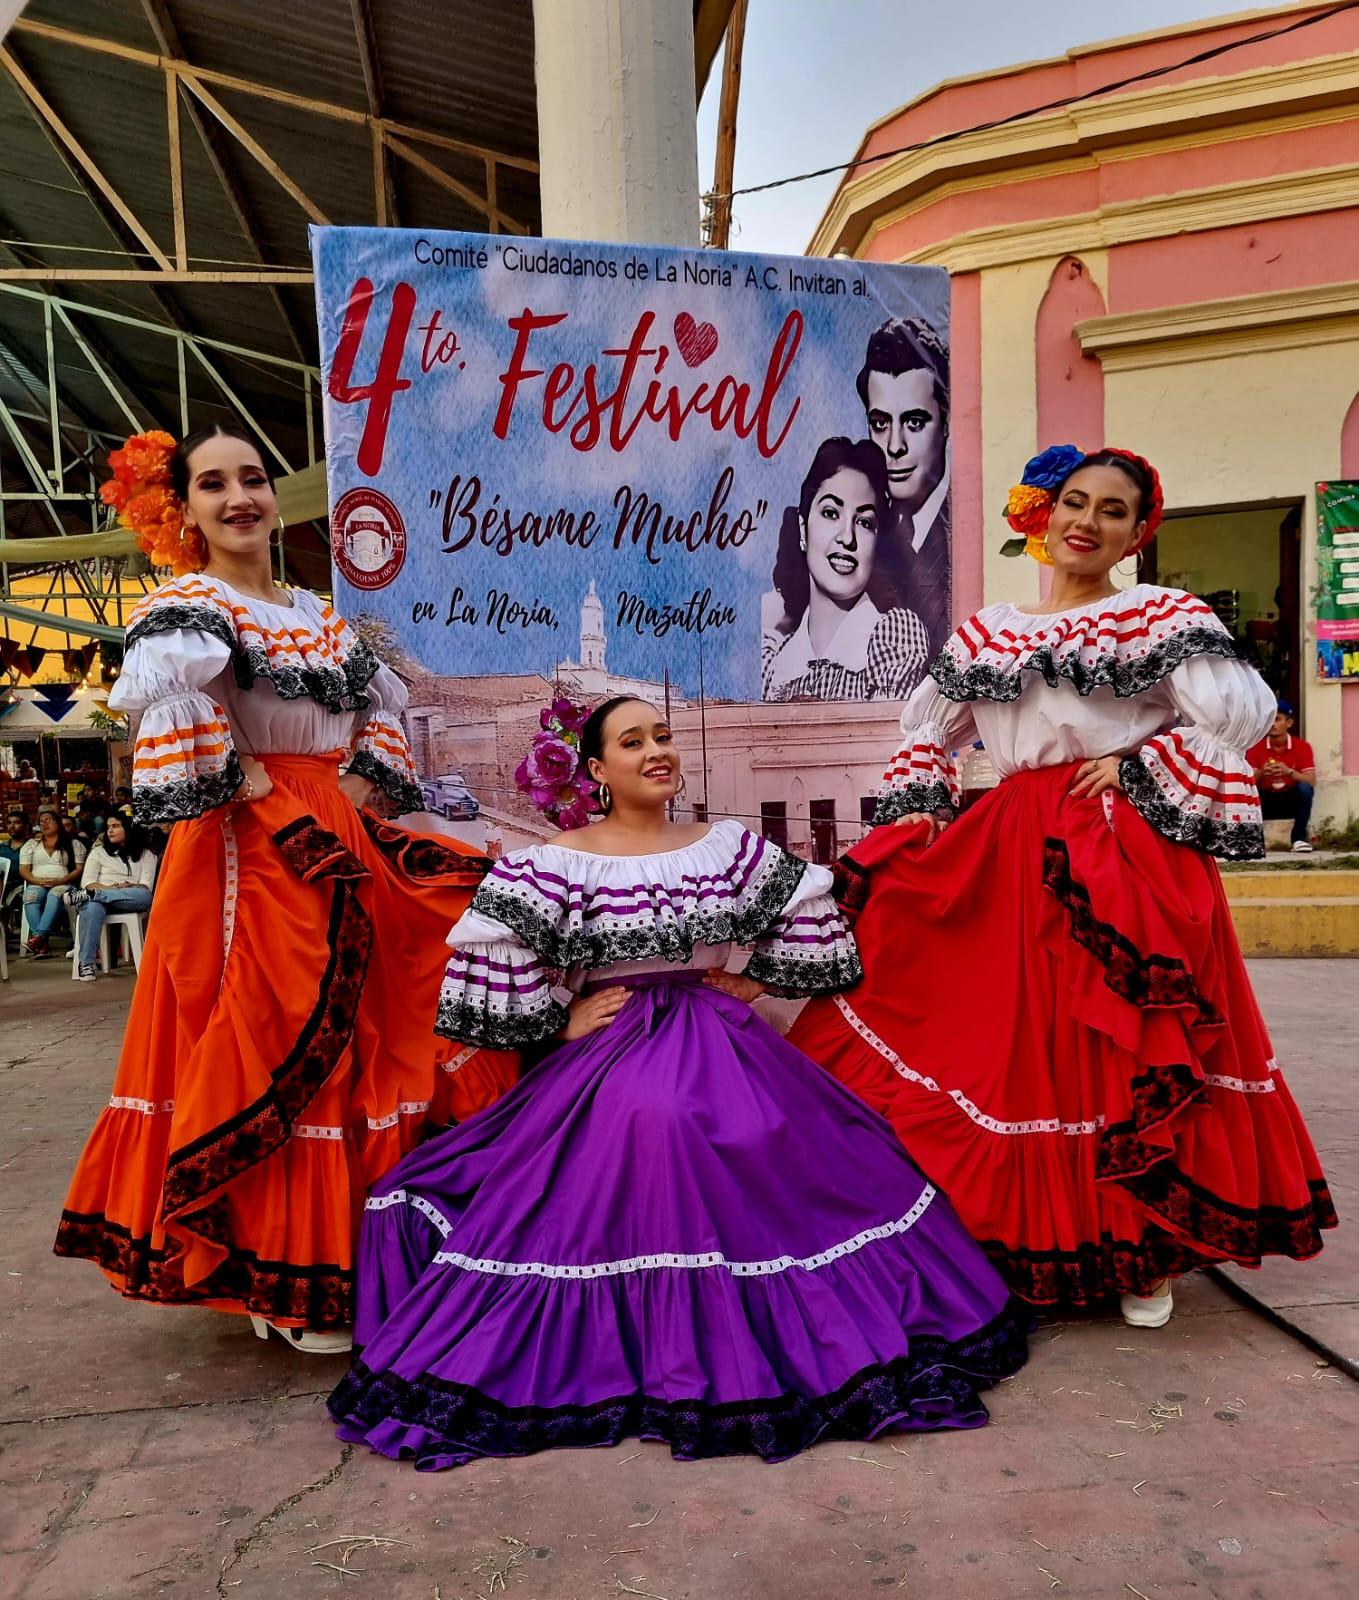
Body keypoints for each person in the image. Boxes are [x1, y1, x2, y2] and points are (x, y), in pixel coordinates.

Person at [328, 694, 1028, 1471]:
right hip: (614, 1044)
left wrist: (749, 985)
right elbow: (491, 976)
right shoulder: (556, 863)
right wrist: (560, 1023)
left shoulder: (722, 847)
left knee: (758, 1135)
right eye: (633, 742)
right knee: (650, 1121)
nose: (656, 751)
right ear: (595, 770)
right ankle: (653, 1342)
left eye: (661, 736)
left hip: (715, 1037)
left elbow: (810, 924)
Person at [789, 445, 1335, 1329]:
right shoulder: (989, 630)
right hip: (1010, 843)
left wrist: (1137, 760)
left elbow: (1237, 713)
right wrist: (922, 809)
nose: (1087, 521)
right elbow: (931, 727)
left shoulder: (1159, 616)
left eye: (1112, 511)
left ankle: (1140, 1249)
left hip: (1124, 850)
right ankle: (1035, 1235)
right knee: (1020, 1044)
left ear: (1135, 532)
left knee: (1119, 1045)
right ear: (1042, 513)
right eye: (1074, 501)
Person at [56, 422, 515, 1354]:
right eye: (213, 484)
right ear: (180, 509)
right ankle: (267, 1267)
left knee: (368, 1027)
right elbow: (204, 741)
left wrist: (342, 804)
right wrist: (286, 817)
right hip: (244, 849)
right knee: (269, 1030)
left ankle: (337, 1255)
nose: (240, 498)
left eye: (253, 479)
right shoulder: (188, 605)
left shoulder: (316, 614)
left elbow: (373, 733)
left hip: (330, 831)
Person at [762, 438, 930, 703]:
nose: (847, 538)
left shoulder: (893, 635)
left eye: (864, 522)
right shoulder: (775, 665)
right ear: (803, 529)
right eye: (831, 513)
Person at [858, 316, 951, 654]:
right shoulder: (857, 535)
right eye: (880, 423)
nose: (894, 445)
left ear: (945, 423)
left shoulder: (966, 529)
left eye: (913, 422)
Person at [66, 813, 158, 981]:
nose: (110, 830)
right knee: (92, 906)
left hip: (129, 900)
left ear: (128, 829)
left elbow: (145, 887)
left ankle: (95, 896)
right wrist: (110, 888)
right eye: (108, 827)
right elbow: (87, 883)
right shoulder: (98, 853)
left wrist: (123, 889)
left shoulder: (146, 855)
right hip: (99, 900)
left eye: (115, 826)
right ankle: (86, 963)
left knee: (145, 897)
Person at [1247, 701, 1316, 853]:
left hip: (1289, 799)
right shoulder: (1255, 748)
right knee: (1248, 792)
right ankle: (1254, 841)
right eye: (1269, 719)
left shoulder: (1302, 747)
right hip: (1266, 799)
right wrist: (1261, 771)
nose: (1272, 724)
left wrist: (1289, 772)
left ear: (1289, 722)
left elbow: (1311, 781)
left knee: (1305, 789)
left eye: (1277, 719)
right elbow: (1246, 784)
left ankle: (1298, 839)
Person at [20, 808, 85, 957]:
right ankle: (41, 942)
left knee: (55, 895)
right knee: (30, 897)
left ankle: (38, 938)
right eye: (41, 822)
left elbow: (79, 869)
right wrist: (37, 881)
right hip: (37, 882)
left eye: (48, 820)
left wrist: (61, 880)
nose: (44, 823)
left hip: (63, 883)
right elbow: (23, 870)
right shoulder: (31, 844)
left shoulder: (72, 843)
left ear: (58, 822)